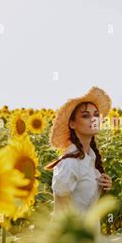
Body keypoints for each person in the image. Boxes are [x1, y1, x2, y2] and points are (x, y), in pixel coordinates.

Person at [46, 86, 113, 226]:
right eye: (86, 115)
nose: (93, 119)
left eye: (96, 114)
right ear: (72, 124)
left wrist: (103, 187)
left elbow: (85, 205)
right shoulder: (70, 163)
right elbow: (61, 216)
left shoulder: (91, 159)